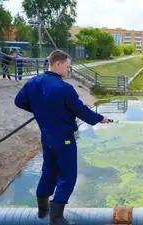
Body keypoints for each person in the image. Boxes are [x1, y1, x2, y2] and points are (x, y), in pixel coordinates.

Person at [14, 50, 110, 225]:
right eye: (67, 66)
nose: (69, 69)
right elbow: (81, 111)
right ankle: (56, 217)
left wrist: (40, 110)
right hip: (63, 139)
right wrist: (100, 118)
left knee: (49, 171)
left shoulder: (33, 82)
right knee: (68, 175)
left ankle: (42, 210)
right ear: (57, 64)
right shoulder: (64, 88)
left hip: (46, 137)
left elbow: (19, 101)